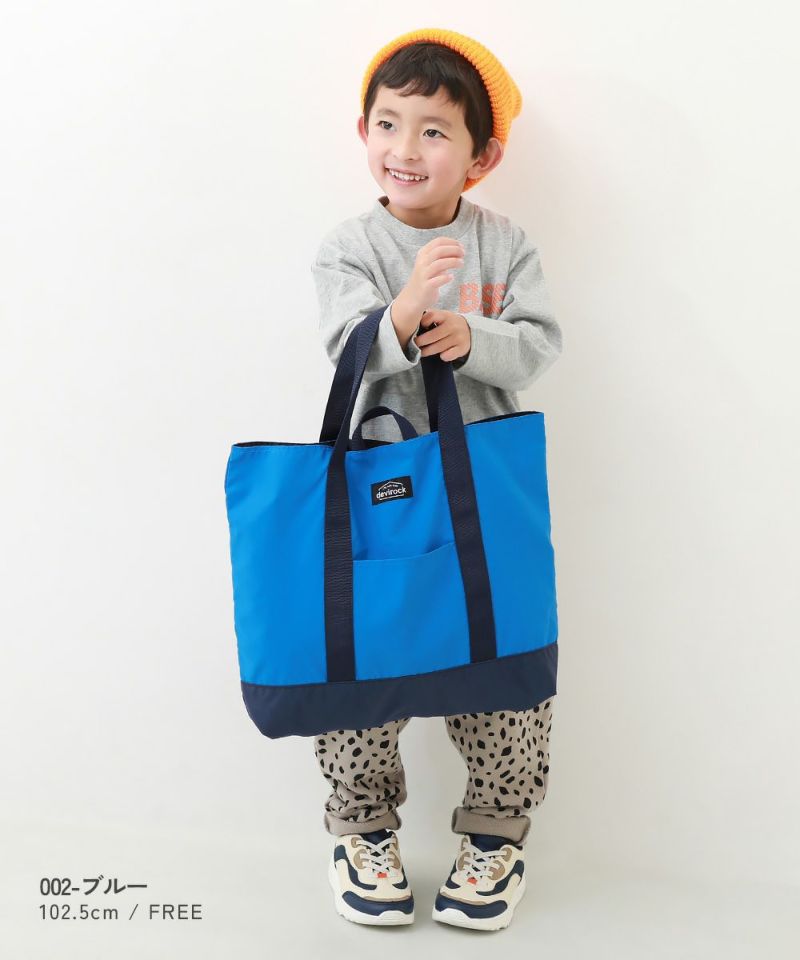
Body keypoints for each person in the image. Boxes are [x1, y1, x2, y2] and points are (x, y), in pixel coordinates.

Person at [310, 28, 562, 932]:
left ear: (481, 157)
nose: (405, 148)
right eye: (387, 124)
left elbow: (537, 345)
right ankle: (362, 827)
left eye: (433, 131)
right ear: (363, 131)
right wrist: (408, 310)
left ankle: (495, 833)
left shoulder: (505, 243)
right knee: (362, 659)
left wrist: (472, 336)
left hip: (484, 494)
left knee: (500, 661)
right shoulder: (348, 245)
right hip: (376, 495)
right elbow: (345, 346)